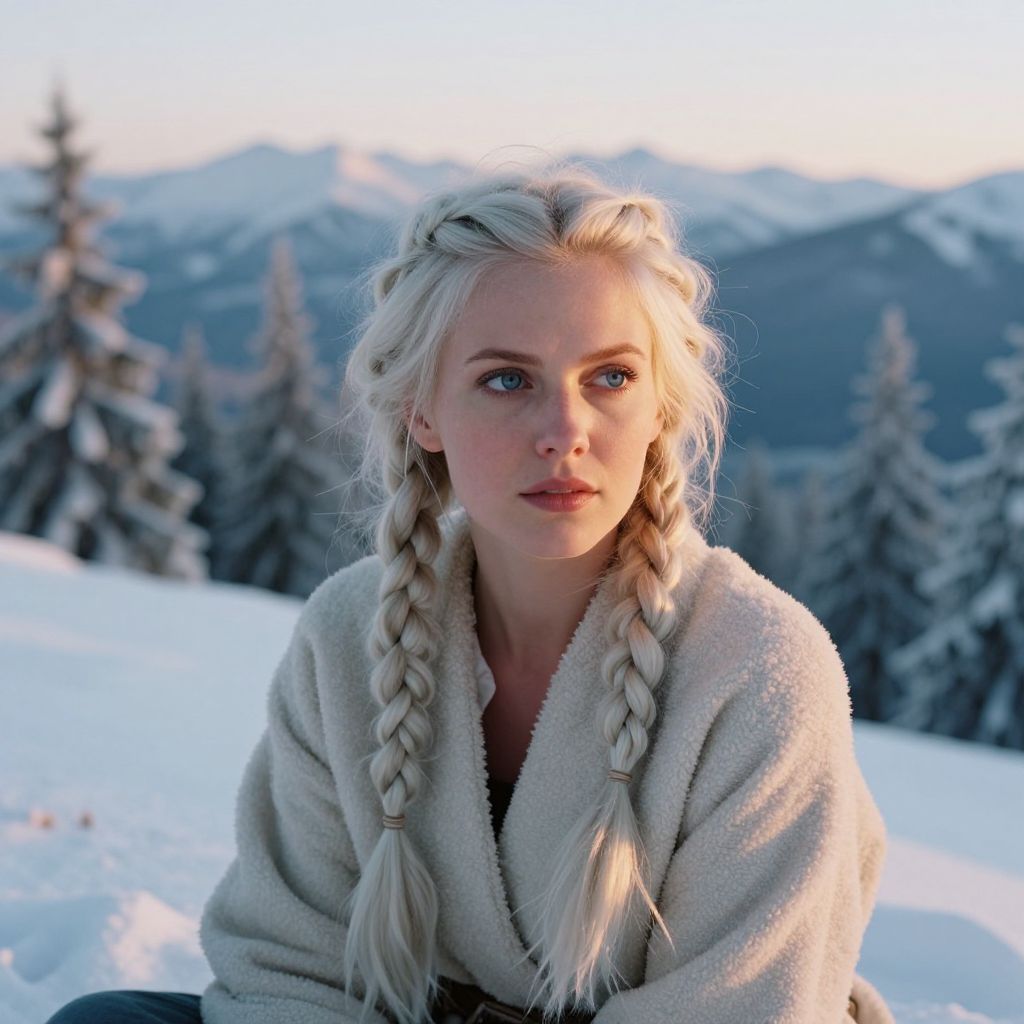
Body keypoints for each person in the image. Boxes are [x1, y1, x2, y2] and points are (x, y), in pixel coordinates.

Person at [47, 161, 895, 1024]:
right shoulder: (348, 634)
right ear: (423, 411)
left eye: (610, 378)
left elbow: (745, 1006)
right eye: (506, 380)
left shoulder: (757, 666)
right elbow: (287, 961)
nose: (565, 433)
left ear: (660, 408)